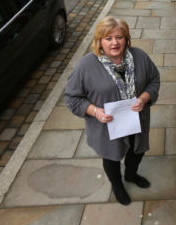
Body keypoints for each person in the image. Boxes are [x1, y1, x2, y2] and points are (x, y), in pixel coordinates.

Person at [65, 16, 160, 206]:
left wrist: (143, 98)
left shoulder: (140, 57)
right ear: (100, 41)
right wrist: (95, 111)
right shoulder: (86, 65)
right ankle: (117, 185)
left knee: (137, 152)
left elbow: (154, 80)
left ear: (127, 39)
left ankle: (131, 176)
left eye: (119, 37)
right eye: (108, 38)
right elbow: (72, 98)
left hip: (137, 121)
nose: (114, 43)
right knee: (111, 158)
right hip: (107, 127)